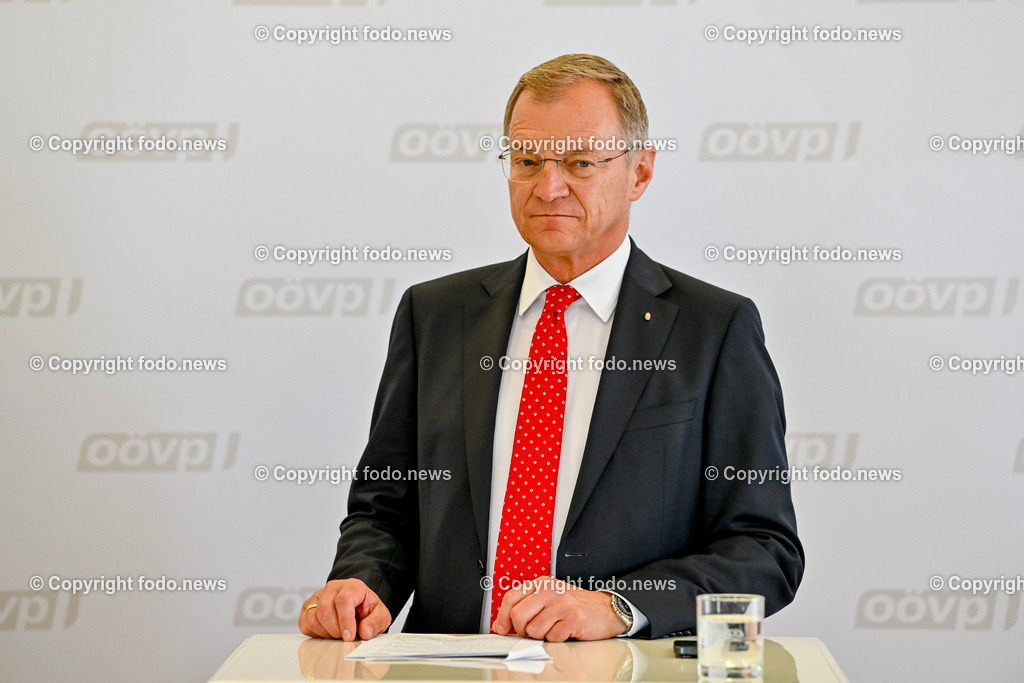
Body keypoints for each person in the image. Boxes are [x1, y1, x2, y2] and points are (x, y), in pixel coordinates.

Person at [299, 53, 803, 643]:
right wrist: (362, 585)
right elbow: (385, 510)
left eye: (580, 162)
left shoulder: (715, 329)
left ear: (640, 172)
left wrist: (618, 606)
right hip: (449, 668)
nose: (548, 187)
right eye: (528, 160)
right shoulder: (434, 314)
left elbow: (763, 550)